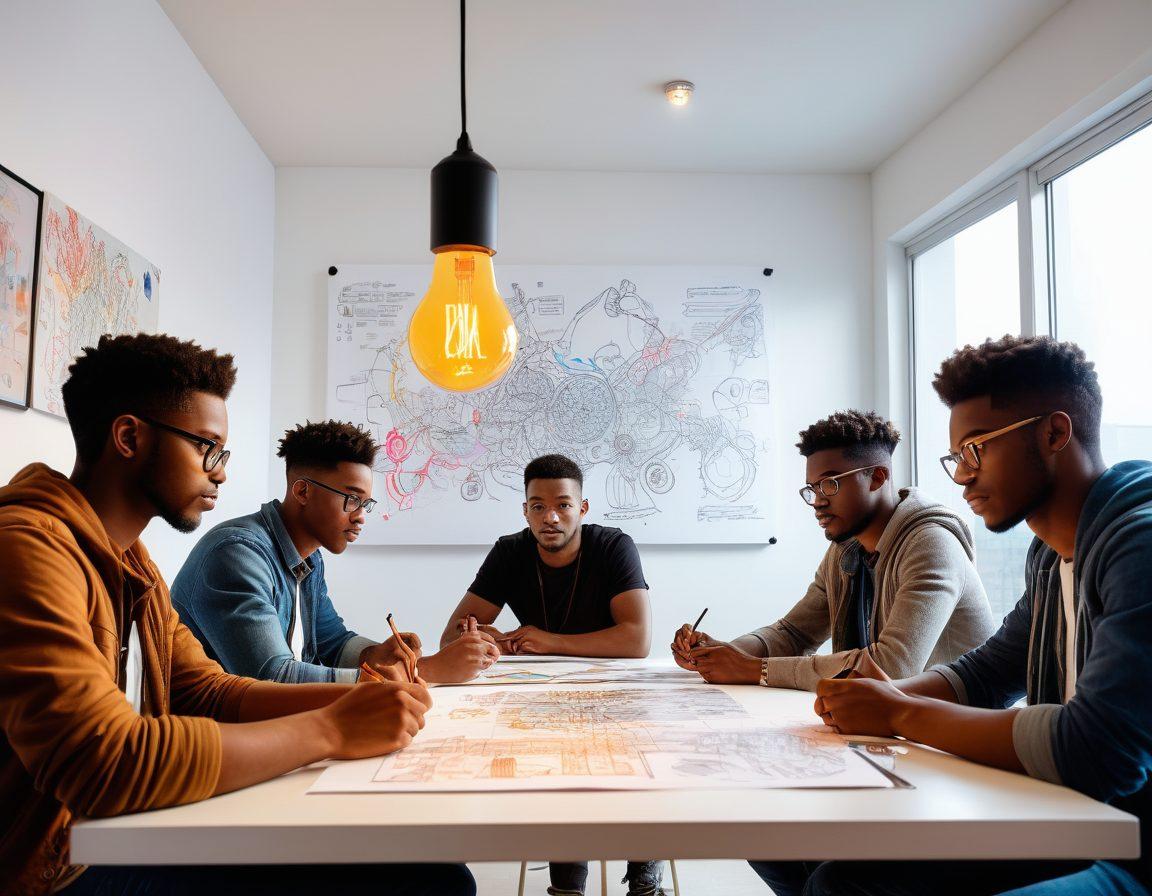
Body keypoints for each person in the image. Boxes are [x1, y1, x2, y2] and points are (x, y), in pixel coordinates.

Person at [0, 334, 473, 896]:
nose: (220, 473)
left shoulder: (133, 565)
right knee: (426, 883)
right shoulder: (26, 548)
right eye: (208, 447)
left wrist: (364, 698)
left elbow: (212, 693)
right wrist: (332, 727)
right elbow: (103, 759)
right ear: (129, 437)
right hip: (53, 870)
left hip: (115, 831)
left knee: (433, 872)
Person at [808, 336, 1151, 896]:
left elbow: (1097, 750)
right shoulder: (1051, 554)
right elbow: (988, 674)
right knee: (838, 879)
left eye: (975, 450)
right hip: (1071, 817)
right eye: (956, 458)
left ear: (1055, 433)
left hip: (1128, 848)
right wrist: (875, 702)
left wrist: (899, 713)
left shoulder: (1138, 543)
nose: (962, 476)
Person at [440, 453, 659, 896]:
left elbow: (636, 641)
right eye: (537, 506)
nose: (550, 516)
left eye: (562, 504)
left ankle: (643, 878)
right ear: (525, 511)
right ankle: (566, 883)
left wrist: (548, 639)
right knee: (556, 755)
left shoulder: (614, 545)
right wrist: (485, 639)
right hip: (543, 693)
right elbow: (451, 638)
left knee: (636, 751)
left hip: (618, 689)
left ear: (583, 508)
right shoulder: (510, 551)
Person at [672, 410, 995, 691]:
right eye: (811, 489)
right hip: (888, 726)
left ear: (877, 477)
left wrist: (755, 669)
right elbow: (793, 633)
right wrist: (720, 654)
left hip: (950, 738)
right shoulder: (846, 549)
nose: (818, 501)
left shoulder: (931, 543)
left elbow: (891, 667)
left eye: (830, 484)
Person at [171, 420, 499, 685]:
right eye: (352, 499)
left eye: (366, 503)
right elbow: (271, 677)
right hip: (216, 743)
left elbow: (332, 643)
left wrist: (382, 654)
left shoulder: (309, 558)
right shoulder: (238, 553)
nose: (360, 515)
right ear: (302, 491)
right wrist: (421, 671)